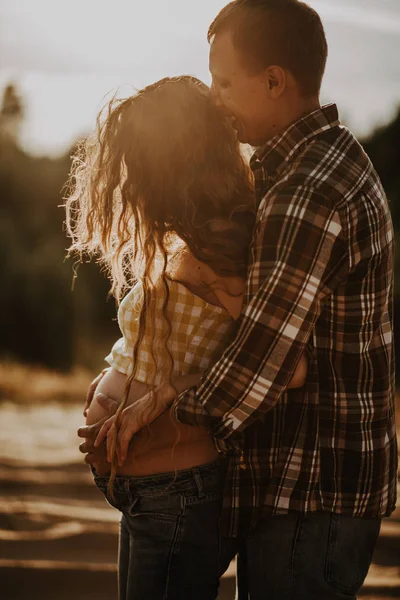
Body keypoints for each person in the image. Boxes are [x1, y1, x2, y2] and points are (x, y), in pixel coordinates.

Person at [81, 1, 397, 599]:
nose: (216, 99)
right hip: (301, 482)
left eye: (224, 81)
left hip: (314, 487)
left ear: (274, 80)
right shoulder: (304, 167)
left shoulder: (307, 190)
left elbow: (264, 358)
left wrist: (152, 410)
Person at [67, 75, 308, 600]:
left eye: (142, 167)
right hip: (150, 488)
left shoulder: (228, 247)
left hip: (176, 490)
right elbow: (176, 336)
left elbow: (282, 367)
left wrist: (155, 398)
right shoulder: (195, 236)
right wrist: (115, 379)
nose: (133, 185)